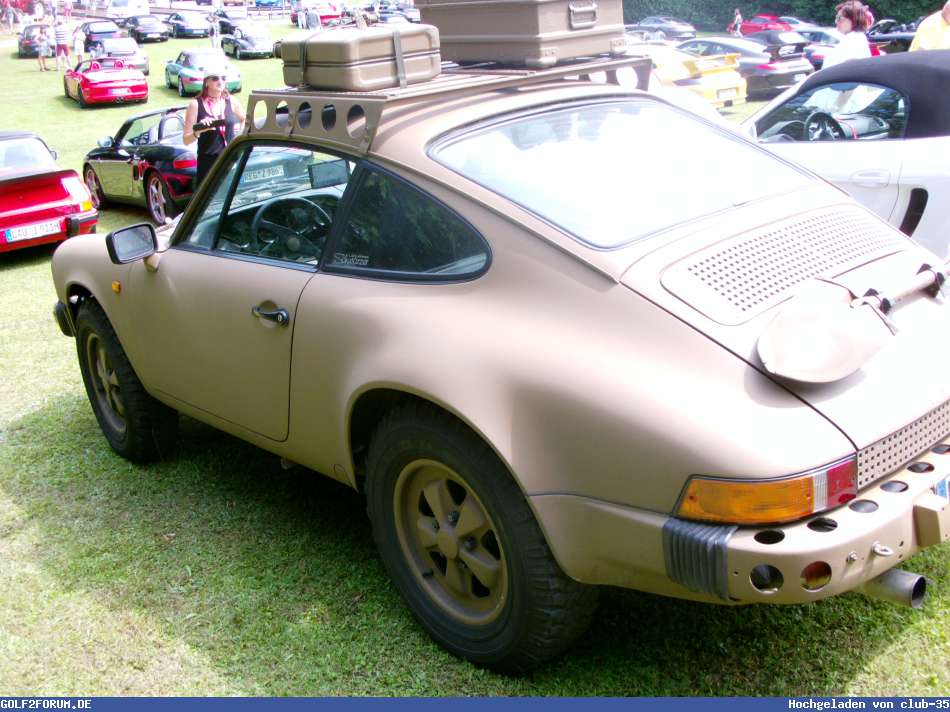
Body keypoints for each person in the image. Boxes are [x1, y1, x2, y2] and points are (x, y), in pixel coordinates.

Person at [183, 68, 246, 187]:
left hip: (230, 158)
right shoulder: (195, 104)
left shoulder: (230, 100)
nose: (220, 81)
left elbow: (245, 119)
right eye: (215, 78)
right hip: (208, 165)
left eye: (223, 78)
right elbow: (186, 140)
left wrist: (238, 138)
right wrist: (199, 131)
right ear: (206, 82)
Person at [822, 0, 871, 68]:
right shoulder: (856, 39)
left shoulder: (853, 42)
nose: (836, 21)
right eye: (836, 18)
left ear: (854, 19)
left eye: (839, 18)